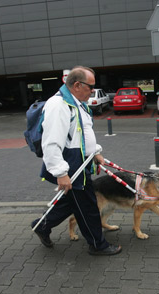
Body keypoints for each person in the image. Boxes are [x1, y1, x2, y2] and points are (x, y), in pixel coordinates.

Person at [31, 66, 122, 256]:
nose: (92, 91)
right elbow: (51, 143)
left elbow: (83, 132)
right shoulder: (59, 105)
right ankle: (98, 245)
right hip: (71, 165)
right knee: (88, 206)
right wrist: (61, 173)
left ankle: (41, 226)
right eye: (90, 87)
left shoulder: (76, 102)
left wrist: (95, 153)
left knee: (74, 202)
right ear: (77, 85)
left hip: (81, 161)